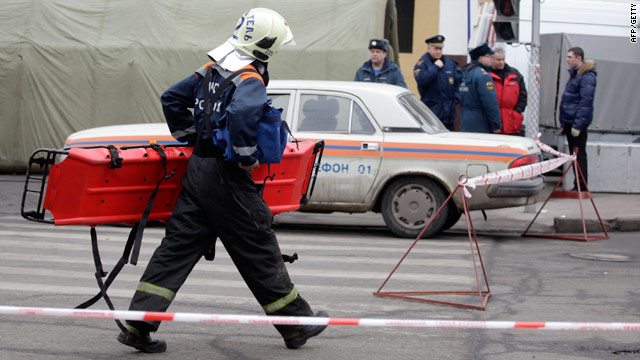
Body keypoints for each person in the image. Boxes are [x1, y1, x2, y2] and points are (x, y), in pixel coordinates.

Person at [116, 8, 327, 353]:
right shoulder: (250, 78)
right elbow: (244, 112)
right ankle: (295, 325)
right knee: (257, 245)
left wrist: (192, 137)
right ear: (266, 45)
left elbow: (172, 98)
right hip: (227, 178)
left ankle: (139, 324)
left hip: (197, 173)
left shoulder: (211, 68)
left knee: (176, 249)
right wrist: (245, 156)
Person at [559, 46, 597, 190]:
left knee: (578, 153)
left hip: (576, 122)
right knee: (574, 154)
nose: (567, 60)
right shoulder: (577, 75)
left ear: (579, 58)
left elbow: (585, 103)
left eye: (570, 57)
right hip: (570, 121)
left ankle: (581, 185)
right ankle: (578, 184)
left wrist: (578, 124)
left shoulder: (586, 77)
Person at [413, 35, 462, 131]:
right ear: (429, 49)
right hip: (432, 112)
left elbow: (458, 82)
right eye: (436, 49)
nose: (439, 52)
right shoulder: (422, 64)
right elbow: (423, 80)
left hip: (449, 114)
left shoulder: (449, 63)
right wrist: (435, 67)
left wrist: (455, 99)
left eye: (440, 49)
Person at [459, 43, 501, 133]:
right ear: (481, 58)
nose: (491, 60)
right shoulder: (483, 76)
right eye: (489, 57)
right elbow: (490, 102)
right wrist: (496, 124)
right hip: (481, 122)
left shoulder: (464, 72)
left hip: (465, 120)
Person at [489, 47, 527, 135]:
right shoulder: (486, 75)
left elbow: (523, 95)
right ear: (492, 59)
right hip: (493, 123)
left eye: (503, 59)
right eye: (498, 60)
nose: (501, 62)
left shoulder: (515, 75)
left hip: (512, 122)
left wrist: (517, 111)